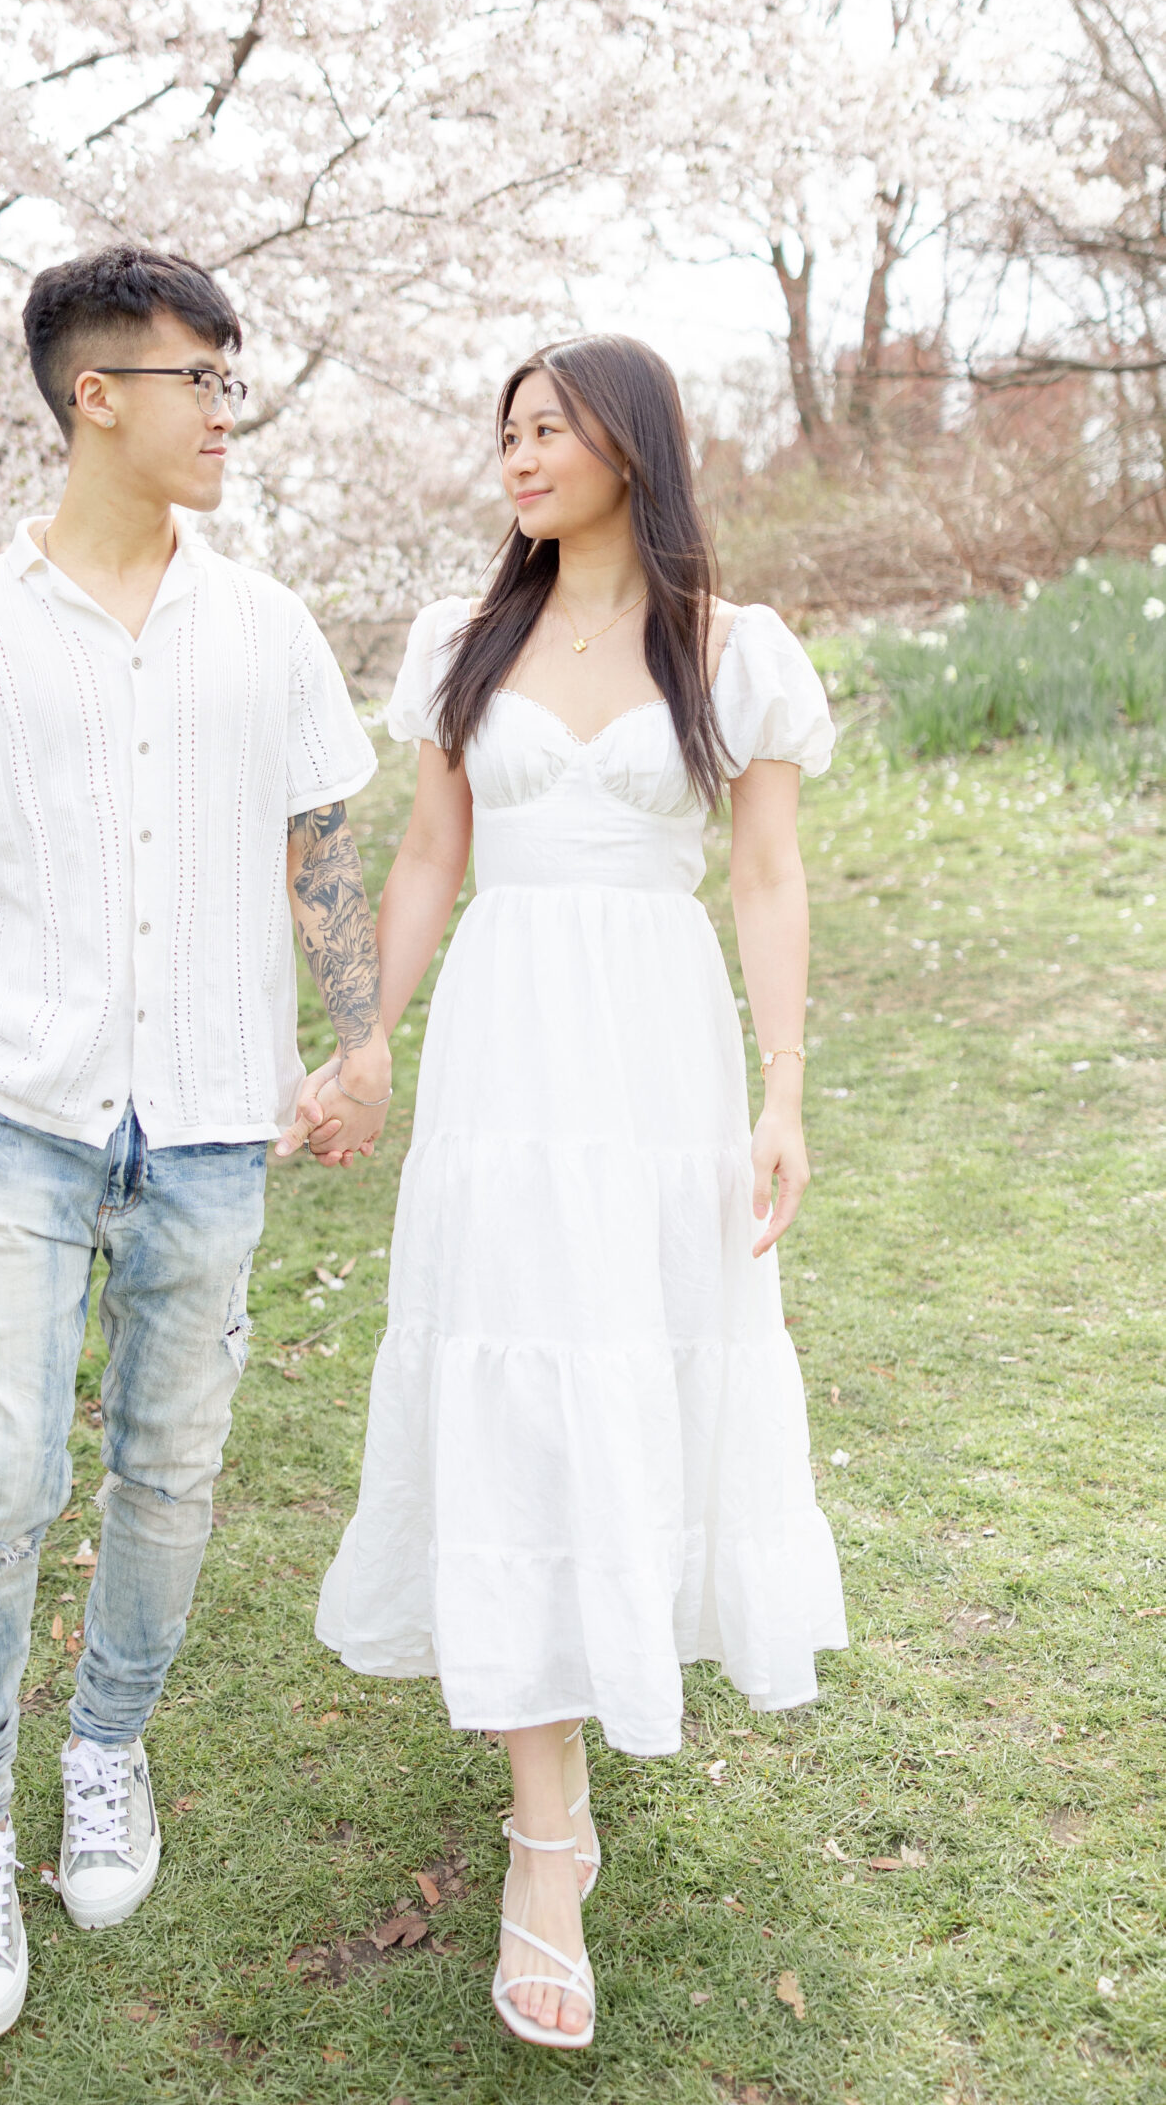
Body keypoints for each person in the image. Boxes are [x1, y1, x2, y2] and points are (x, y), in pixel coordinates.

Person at [0, 244, 390, 2048]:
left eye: (237, 380)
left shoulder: (274, 626)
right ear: (100, 396)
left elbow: (322, 848)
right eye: (202, 381)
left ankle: (107, 1753)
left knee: (173, 1468)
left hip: (220, 1122)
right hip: (21, 1118)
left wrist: (362, 1035)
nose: (232, 412)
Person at [311, 334, 846, 2051]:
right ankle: (548, 1834)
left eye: (551, 429)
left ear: (633, 444)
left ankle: (606, 1658)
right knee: (511, 1374)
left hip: (657, 1052)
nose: (522, 455)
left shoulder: (732, 651)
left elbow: (765, 876)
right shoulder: (466, 647)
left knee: (631, 1363)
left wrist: (782, 1092)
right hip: (504, 1049)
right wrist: (363, 1038)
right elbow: (425, 859)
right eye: (510, 432)